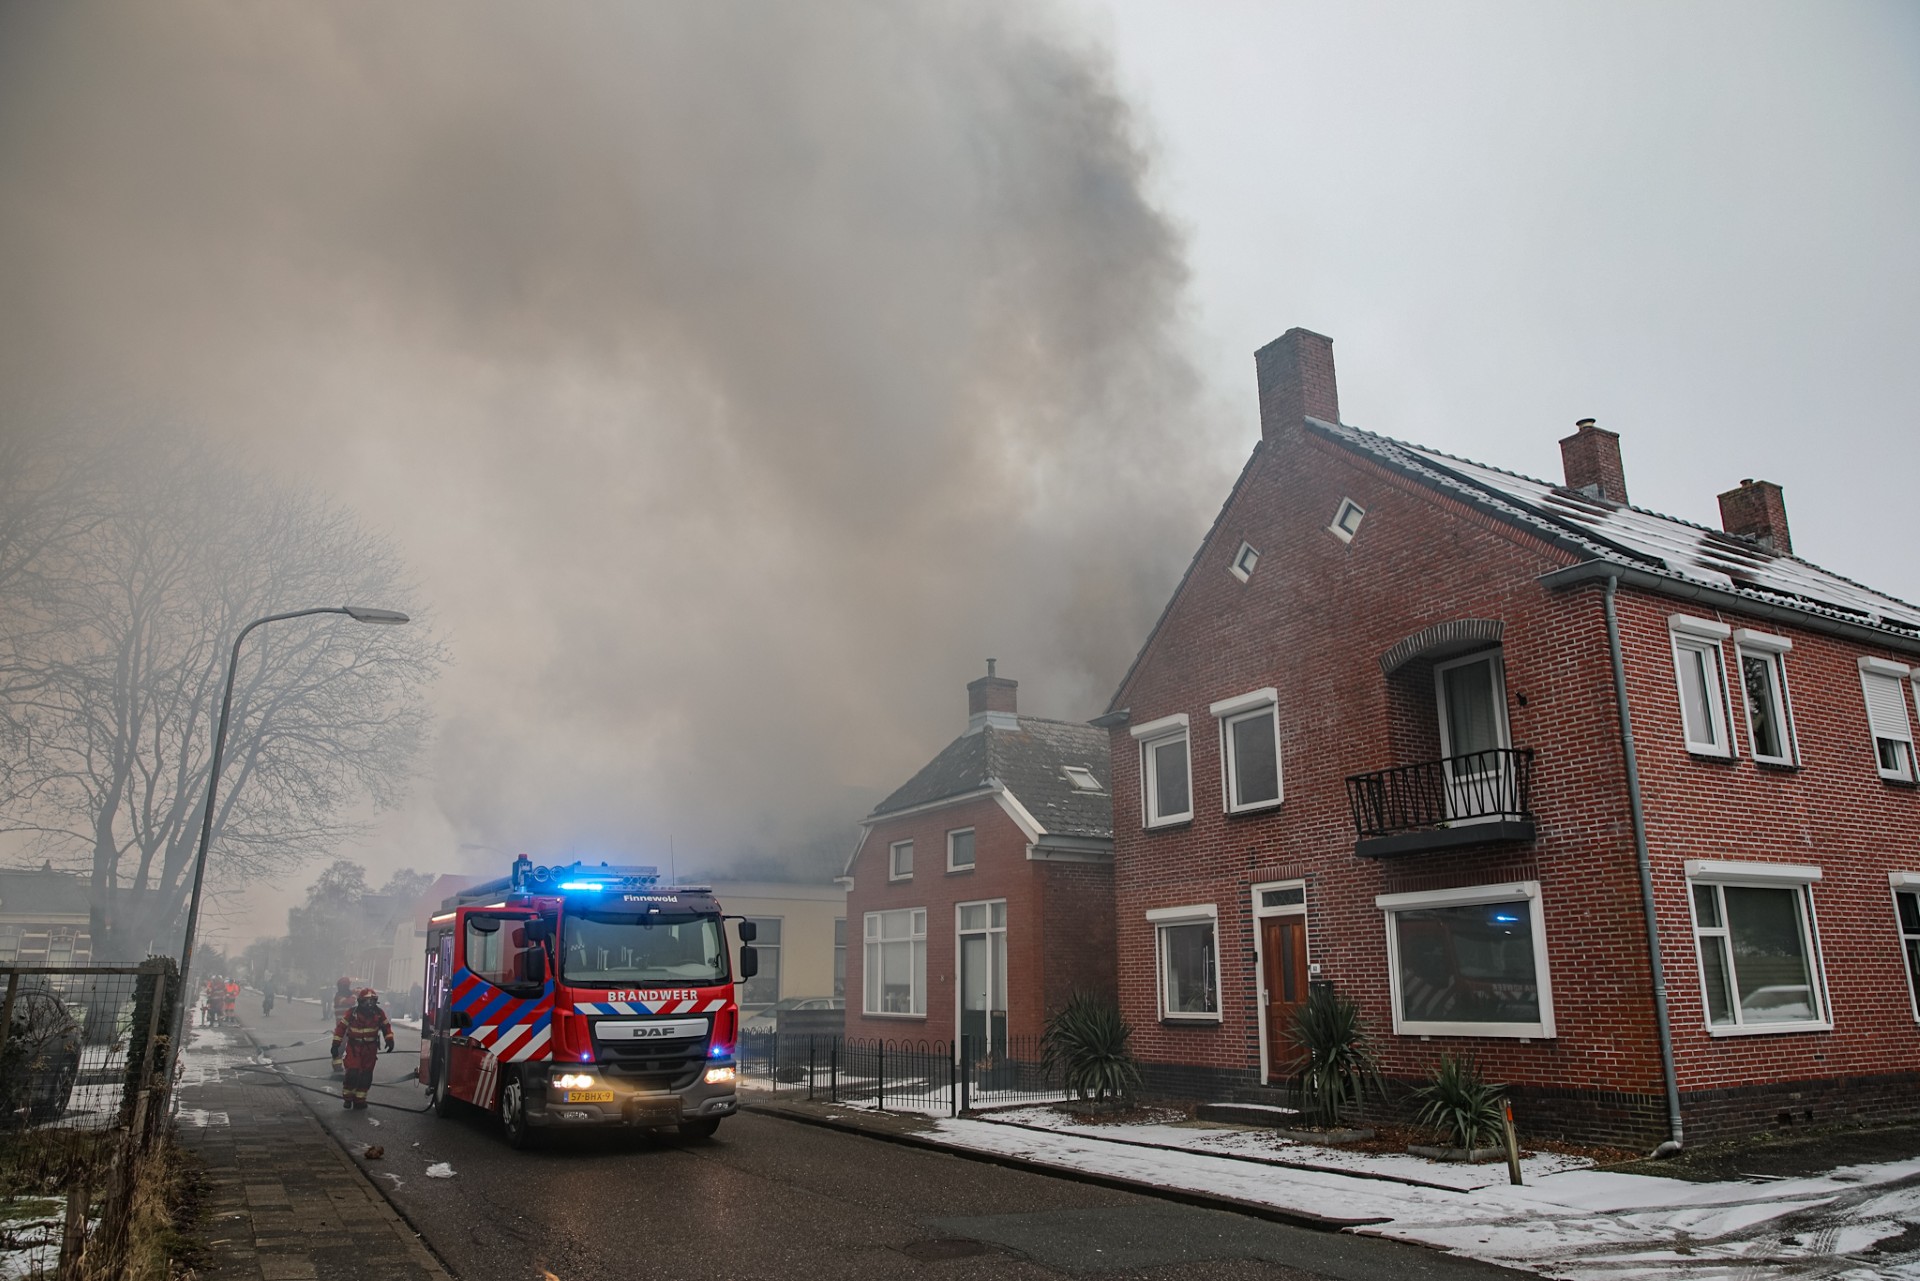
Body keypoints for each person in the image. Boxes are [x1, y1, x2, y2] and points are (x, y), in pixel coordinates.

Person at [331, 988, 394, 1110]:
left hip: (370, 1049)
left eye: (372, 1001)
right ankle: (348, 1098)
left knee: (366, 1075)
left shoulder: (379, 1013)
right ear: (360, 1001)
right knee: (353, 1072)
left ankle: (360, 1099)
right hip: (354, 1047)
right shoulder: (352, 1013)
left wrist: (389, 1039)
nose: (369, 1004)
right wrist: (335, 1045)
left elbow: (386, 1026)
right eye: (367, 1001)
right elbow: (341, 1028)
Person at [330, 978, 355, 1075]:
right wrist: (354, 995)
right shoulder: (339, 997)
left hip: (350, 1026)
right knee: (340, 1047)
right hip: (342, 1027)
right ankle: (337, 1065)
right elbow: (350, 1002)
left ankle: (351, 1066)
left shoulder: (346, 994)